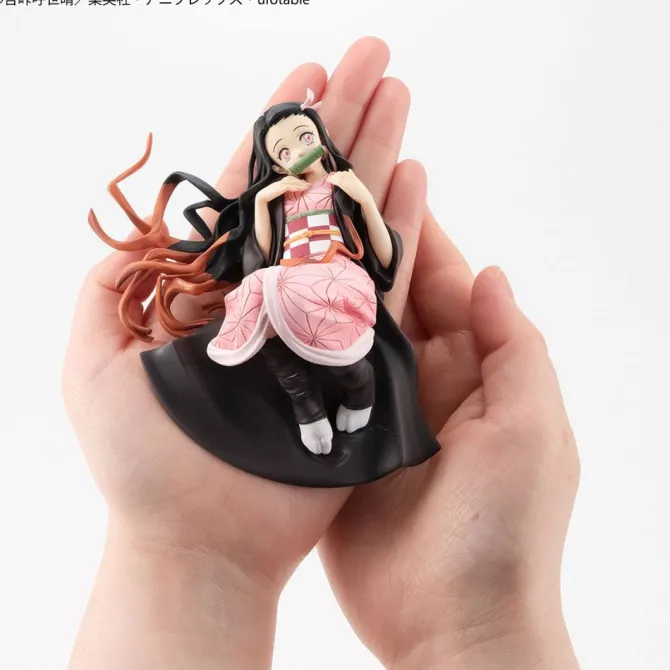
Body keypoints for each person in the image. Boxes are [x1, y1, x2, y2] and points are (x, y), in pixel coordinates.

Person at [62, 37, 581, 669]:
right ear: (272, 161)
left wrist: (360, 198)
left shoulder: (340, 192)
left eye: (301, 138)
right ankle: (299, 402)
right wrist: (261, 203)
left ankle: (350, 404)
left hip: (340, 283)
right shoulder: (274, 200)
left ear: (319, 139)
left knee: (355, 369)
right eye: (280, 151)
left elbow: (384, 256)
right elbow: (259, 251)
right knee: (269, 306)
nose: (294, 154)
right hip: (289, 281)